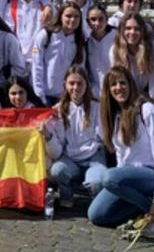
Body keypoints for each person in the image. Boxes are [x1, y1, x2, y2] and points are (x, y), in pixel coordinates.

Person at [87, 66, 154, 238]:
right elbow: (122, 159)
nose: (118, 87)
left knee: (108, 177)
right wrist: (122, 184)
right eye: (113, 84)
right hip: (133, 179)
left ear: (131, 84)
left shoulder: (148, 111)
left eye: (123, 82)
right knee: (96, 215)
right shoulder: (114, 115)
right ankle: (143, 208)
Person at [44, 66, 106, 209]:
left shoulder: (97, 107)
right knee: (57, 170)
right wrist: (48, 134)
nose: (75, 87)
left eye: (80, 83)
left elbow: (103, 138)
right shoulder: (59, 110)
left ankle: (96, 202)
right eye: (71, 83)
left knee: (97, 180)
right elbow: (57, 149)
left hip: (93, 157)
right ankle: (67, 194)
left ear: (86, 85)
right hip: (70, 157)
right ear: (65, 85)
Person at [32, 3, 86, 107]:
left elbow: (80, 68)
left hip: (65, 96)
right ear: (60, 16)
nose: (72, 20)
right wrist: (40, 94)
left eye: (76, 16)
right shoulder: (46, 35)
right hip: (44, 95)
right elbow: (37, 65)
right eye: (68, 16)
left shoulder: (79, 39)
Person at [109, 13, 154, 105]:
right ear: (122, 31)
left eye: (137, 29)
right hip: (125, 98)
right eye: (128, 28)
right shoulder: (114, 51)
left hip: (149, 98)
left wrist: (152, 106)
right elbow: (117, 82)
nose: (132, 32)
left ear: (143, 31)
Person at [6, 0, 53, 77]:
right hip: (18, 59)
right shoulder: (12, 6)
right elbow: (9, 31)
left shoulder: (46, 7)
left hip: (39, 58)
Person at [85, 3, 115, 99]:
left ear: (107, 20)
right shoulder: (86, 43)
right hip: (96, 95)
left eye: (101, 19)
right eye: (93, 19)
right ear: (88, 22)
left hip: (118, 92)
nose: (97, 23)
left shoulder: (118, 37)